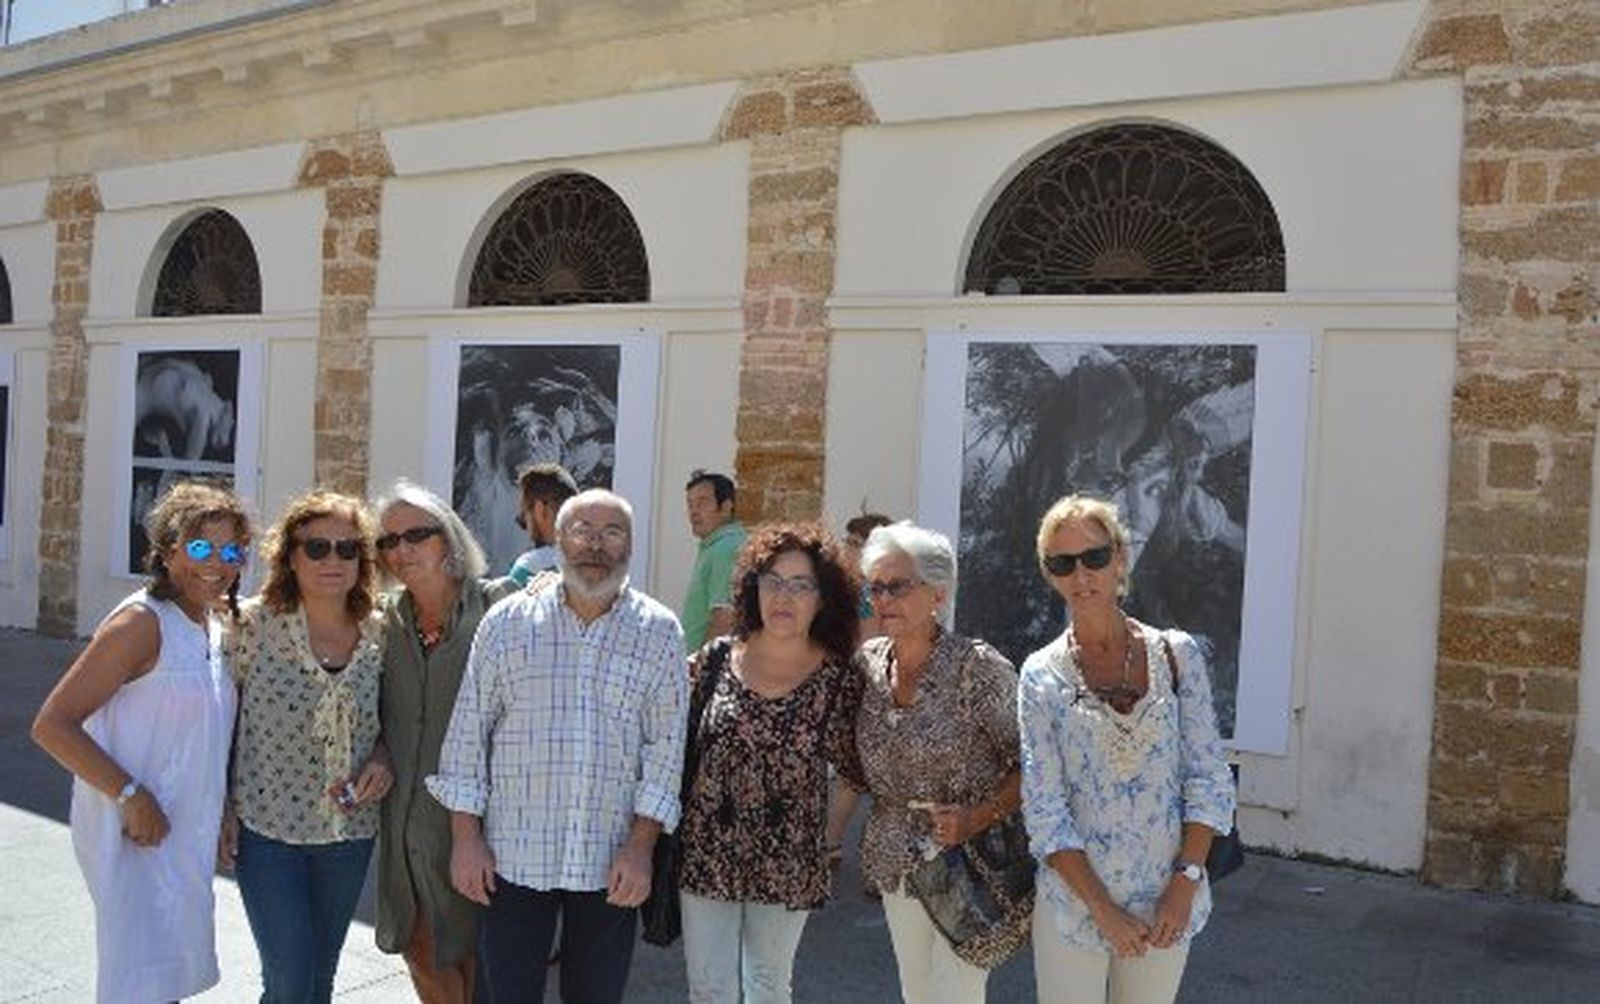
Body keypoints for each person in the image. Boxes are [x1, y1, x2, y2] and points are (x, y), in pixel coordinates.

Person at [428, 488, 687, 1003]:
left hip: (609, 859)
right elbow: (469, 731)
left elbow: (665, 749)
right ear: (558, 541)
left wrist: (641, 848)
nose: (596, 545)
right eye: (582, 531)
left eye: (612, 532)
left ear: (631, 545)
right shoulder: (508, 623)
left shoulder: (659, 631)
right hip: (513, 854)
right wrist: (465, 837)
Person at [32, 481, 250, 1003]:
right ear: (168, 550)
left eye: (231, 551)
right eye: (200, 547)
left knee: (167, 976)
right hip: (133, 834)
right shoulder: (140, 624)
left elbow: (208, 735)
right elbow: (53, 724)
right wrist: (130, 796)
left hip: (184, 834)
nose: (216, 563)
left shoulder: (212, 625)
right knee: (139, 979)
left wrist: (222, 811)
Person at [1017, 495, 1235, 1004]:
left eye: (1093, 557)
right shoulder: (1040, 675)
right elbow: (1045, 809)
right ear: (1049, 574)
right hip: (1074, 905)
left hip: (1167, 901)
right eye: (1061, 563)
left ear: (1120, 558)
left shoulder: (1177, 655)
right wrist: (1103, 910)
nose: (1081, 575)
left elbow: (1207, 777)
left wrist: (1186, 882)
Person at [678, 524, 863, 1004]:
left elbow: (852, 770)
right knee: (710, 988)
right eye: (773, 581)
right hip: (708, 847)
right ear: (752, 588)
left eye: (801, 584)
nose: (784, 596)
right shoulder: (716, 661)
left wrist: (828, 841)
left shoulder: (838, 677)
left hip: (790, 855)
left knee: (766, 986)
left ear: (822, 599)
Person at [225, 490, 395, 1004]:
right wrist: (221, 805)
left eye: (348, 550)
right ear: (290, 556)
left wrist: (384, 757)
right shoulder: (250, 625)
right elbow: (218, 724)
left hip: (349, 833)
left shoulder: (382, 631)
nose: (333, 560)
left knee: (319, 976)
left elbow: (396, 719)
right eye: (317, 547)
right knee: (291, 977)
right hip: (268, 828)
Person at [852, 523, 1027, 1003]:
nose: (883, 599)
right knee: (916, 992)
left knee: (956, 994)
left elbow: (1032, 763)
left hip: (966, 861)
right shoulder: (868, 663)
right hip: (893, 855)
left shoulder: (977, 667)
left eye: (898, 586)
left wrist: (977, 816)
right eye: (876, 588)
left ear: (938, 593)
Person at [372, 481, 515, 1003]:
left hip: (477, 826)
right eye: (388, 541)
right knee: (419, 944)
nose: (401, 549)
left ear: (448, 539)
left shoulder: (502, 607)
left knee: (475, 952)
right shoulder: (383, 621)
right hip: (406, 820)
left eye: (417, 535)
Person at [683, 468, 747, 651]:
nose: (694, 511)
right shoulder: (718, 545)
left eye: (703, 502)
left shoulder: (725, 548)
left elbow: (724, 621)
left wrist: (699, 669)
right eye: (690, 504)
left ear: (726, 507)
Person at [508, 461, 578, 586]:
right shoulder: (596, 565)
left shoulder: (529, 567)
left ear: (541, 509)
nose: (524, 524)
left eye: (525, 512)